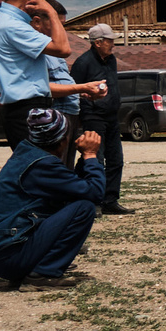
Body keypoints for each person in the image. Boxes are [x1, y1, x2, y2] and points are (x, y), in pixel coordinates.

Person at [0, 106, 107, 288]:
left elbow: (75, 187)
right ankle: (43, 273)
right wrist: (90, 155)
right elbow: (95, 193)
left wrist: (84, 160)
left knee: (74, 202)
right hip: (9, 257)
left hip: (3, 251)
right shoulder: (42, 165)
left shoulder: (30, 156)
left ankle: (42, 265)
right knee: (84, 208)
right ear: (64, 139)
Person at [0, 0, 73, 146]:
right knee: (38, 168)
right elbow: (63, 48)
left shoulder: (6, 22)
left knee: (38, 168)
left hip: (23, 108)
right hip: (26, 110)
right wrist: (51, 13)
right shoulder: (13, 26)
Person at [69, 24, 131, 216]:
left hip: (112, 116)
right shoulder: (83, 63)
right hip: (93, 117)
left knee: (116, 160)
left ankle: (110, 200)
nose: (113, 44)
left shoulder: (111, 60)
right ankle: (92, 200)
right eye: (109, 41)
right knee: (96, 159)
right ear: (98, 43)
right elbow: (75, 90)